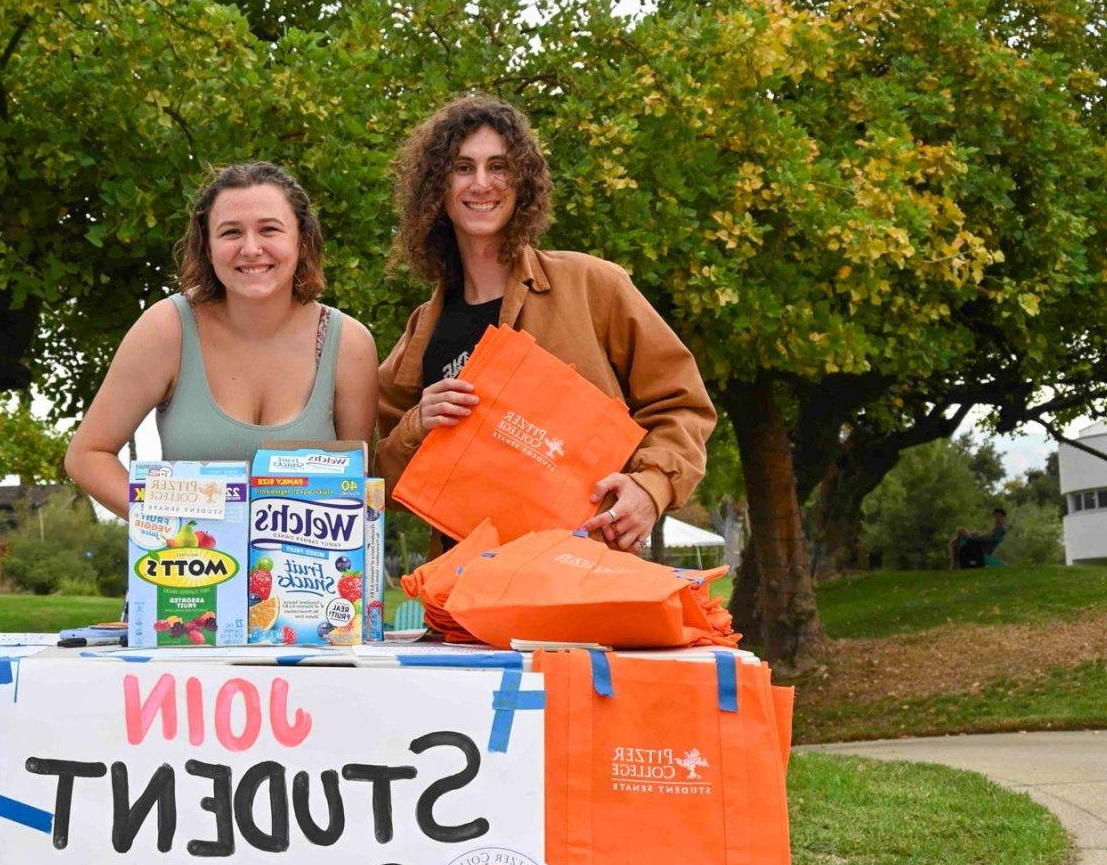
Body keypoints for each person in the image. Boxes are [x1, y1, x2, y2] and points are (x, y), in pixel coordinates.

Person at [376, 95, 716, 553]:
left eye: (499, 166)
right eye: (462, 167)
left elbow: (683, 404)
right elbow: (385, 483)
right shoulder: (421, 333)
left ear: (523, 183)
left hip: (581, 580)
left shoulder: (594, 286)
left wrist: (651, 488)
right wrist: (419, 424)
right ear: (437, 187)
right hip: (461, 592)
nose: (481, 183)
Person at [65, 161, 380, 518]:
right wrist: (165, 525)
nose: (250, 248)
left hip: (308, 572)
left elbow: (358, 486)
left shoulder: (350, 345)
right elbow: (87, 455)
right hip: (188, 565)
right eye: (231, 233)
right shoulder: (167, 329)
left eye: (269, 230)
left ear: (302, 239)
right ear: (208, 247)